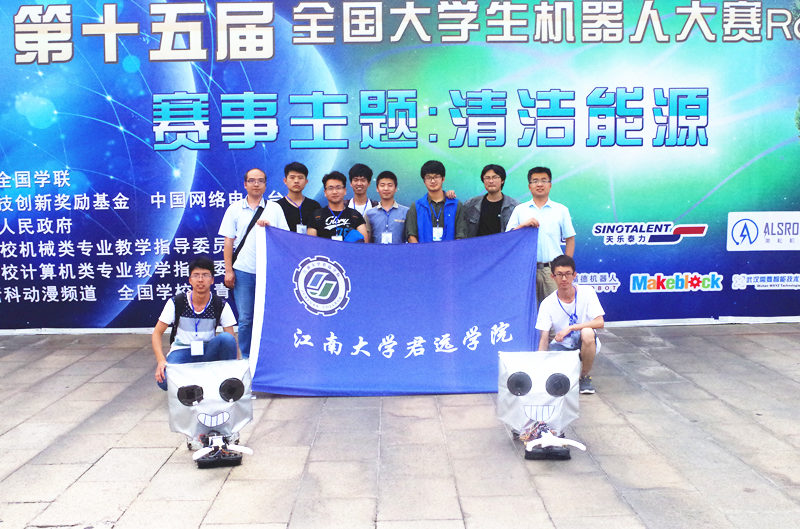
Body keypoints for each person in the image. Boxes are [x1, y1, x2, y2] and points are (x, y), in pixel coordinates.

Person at [219, 168, 289, 358]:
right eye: (251, 180)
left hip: (269, 271)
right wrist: (228, 270)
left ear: (266, 184)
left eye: (260, 181)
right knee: (246, 318)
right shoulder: (234, 209)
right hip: (243, 271)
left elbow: (284, 238)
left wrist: (270, 228)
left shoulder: (275, 208)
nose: (256, 184)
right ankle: (247, 357)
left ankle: (269, 356)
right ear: (245, 184)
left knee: (269, 316)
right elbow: (228, 241)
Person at [152, 257, 238, 391]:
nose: (200, 280)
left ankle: (226, 381)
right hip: (182, 351)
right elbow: (157, 333)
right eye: (196, 275)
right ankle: (201, 381)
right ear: (190, 280)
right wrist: (161, 360)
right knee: (164, 381)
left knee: (226, 339)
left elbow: (231, 340)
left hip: (208, 351)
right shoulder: (176, 302)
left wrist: (236, 369)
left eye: (205, 275)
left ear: (212, 280)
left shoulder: (220, 304)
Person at [535, 254, 604, 394]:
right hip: (561, 345)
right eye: (559, 274)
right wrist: (539, 364)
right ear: (552, 277)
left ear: (574, 275)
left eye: (568, 274)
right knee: (559, 384)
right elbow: (544, 338)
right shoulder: (547, 303)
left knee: (587, 332)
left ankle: (584, 376)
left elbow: (600, 322)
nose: (564, 279)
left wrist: (571, 328)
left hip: (585, 341)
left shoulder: (587, 292)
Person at [506, 166, 576, 303]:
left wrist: (565, 267)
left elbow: (570, 239)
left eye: (544, 180)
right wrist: (523, 226)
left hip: (552, 270)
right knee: (528, 309)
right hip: (526, 270)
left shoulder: (561, 210)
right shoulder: (520, 210)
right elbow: (508, 238)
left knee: (555, 308)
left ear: (550, 185)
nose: (539, 184)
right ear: (529, 186)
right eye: (535, 181)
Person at [405, 160, 468, 243]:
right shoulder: (416, 206)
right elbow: (411, 235)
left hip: (450, 251)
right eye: (428, 177)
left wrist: (452, 250)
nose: (432, 181)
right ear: (424, 181)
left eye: (436, 177)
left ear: (443, 179)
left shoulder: (456, 205)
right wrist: (420, 251)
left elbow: (461, 235)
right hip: (424, 251)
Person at [308, 171, 369, 242]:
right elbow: (310, 244)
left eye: (338, 188)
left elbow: (365, 244)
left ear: (345, 191)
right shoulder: (317, 216)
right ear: (325, 192)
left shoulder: (355, 215)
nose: (335, 192)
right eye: (330, 188)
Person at [464, 164, 520, 237]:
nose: (491, 181)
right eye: (487, 178)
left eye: (495, 177)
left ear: (502, 180)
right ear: (483, 181)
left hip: (503, 244)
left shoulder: (515, 206)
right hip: (478, 244)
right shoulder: (471, 204)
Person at [276, 161, 321, 234]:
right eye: (292, 177)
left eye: (300, 178)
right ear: (285, 181)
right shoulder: (277, 206)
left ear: (306, 181)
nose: (296, 181)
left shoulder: (314, 206)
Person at [365, 171, 409, 244]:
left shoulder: (406, 212)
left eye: (390, 185)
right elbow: (366, 242)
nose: (386, 188)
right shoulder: (369, 214)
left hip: (399, 251)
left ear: (395, 188)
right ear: (377, 188)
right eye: (382, 185)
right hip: (376, 251)